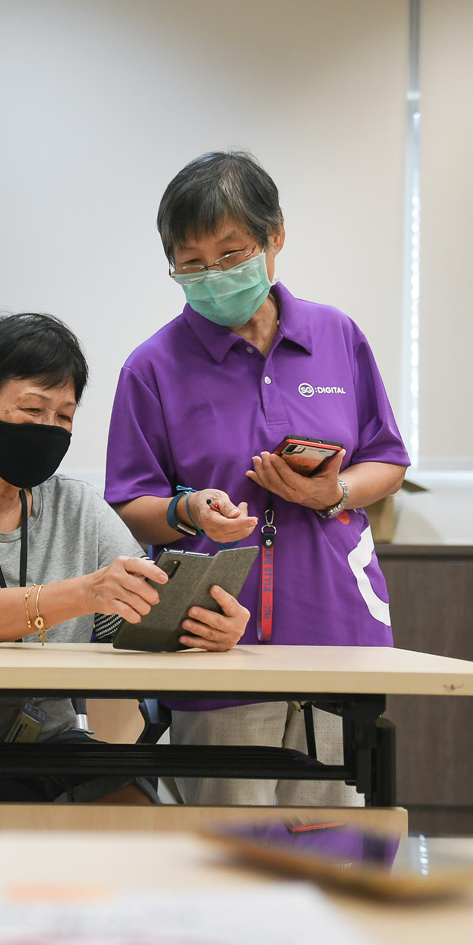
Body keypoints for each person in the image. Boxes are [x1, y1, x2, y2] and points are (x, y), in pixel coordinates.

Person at [0, 312, 250, 803]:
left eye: (64, 417)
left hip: (45, 743)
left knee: (139, 801)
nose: (49, 429)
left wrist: (203, 627)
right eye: (33, 409)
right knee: (13, 824)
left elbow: (139, 615)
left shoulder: (74, 503)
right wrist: (86, 590)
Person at [105, 150, 410, 806]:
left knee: (338, 847)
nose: (213, 273)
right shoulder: (151, 368)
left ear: (275, 238)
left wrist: (335, 492)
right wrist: (189, 512)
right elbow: (132, 499)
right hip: (215, 637)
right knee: (224, 856)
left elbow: (387, 458)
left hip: (335, 627)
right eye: (191, 262)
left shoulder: (337, 337)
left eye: (231, 252)